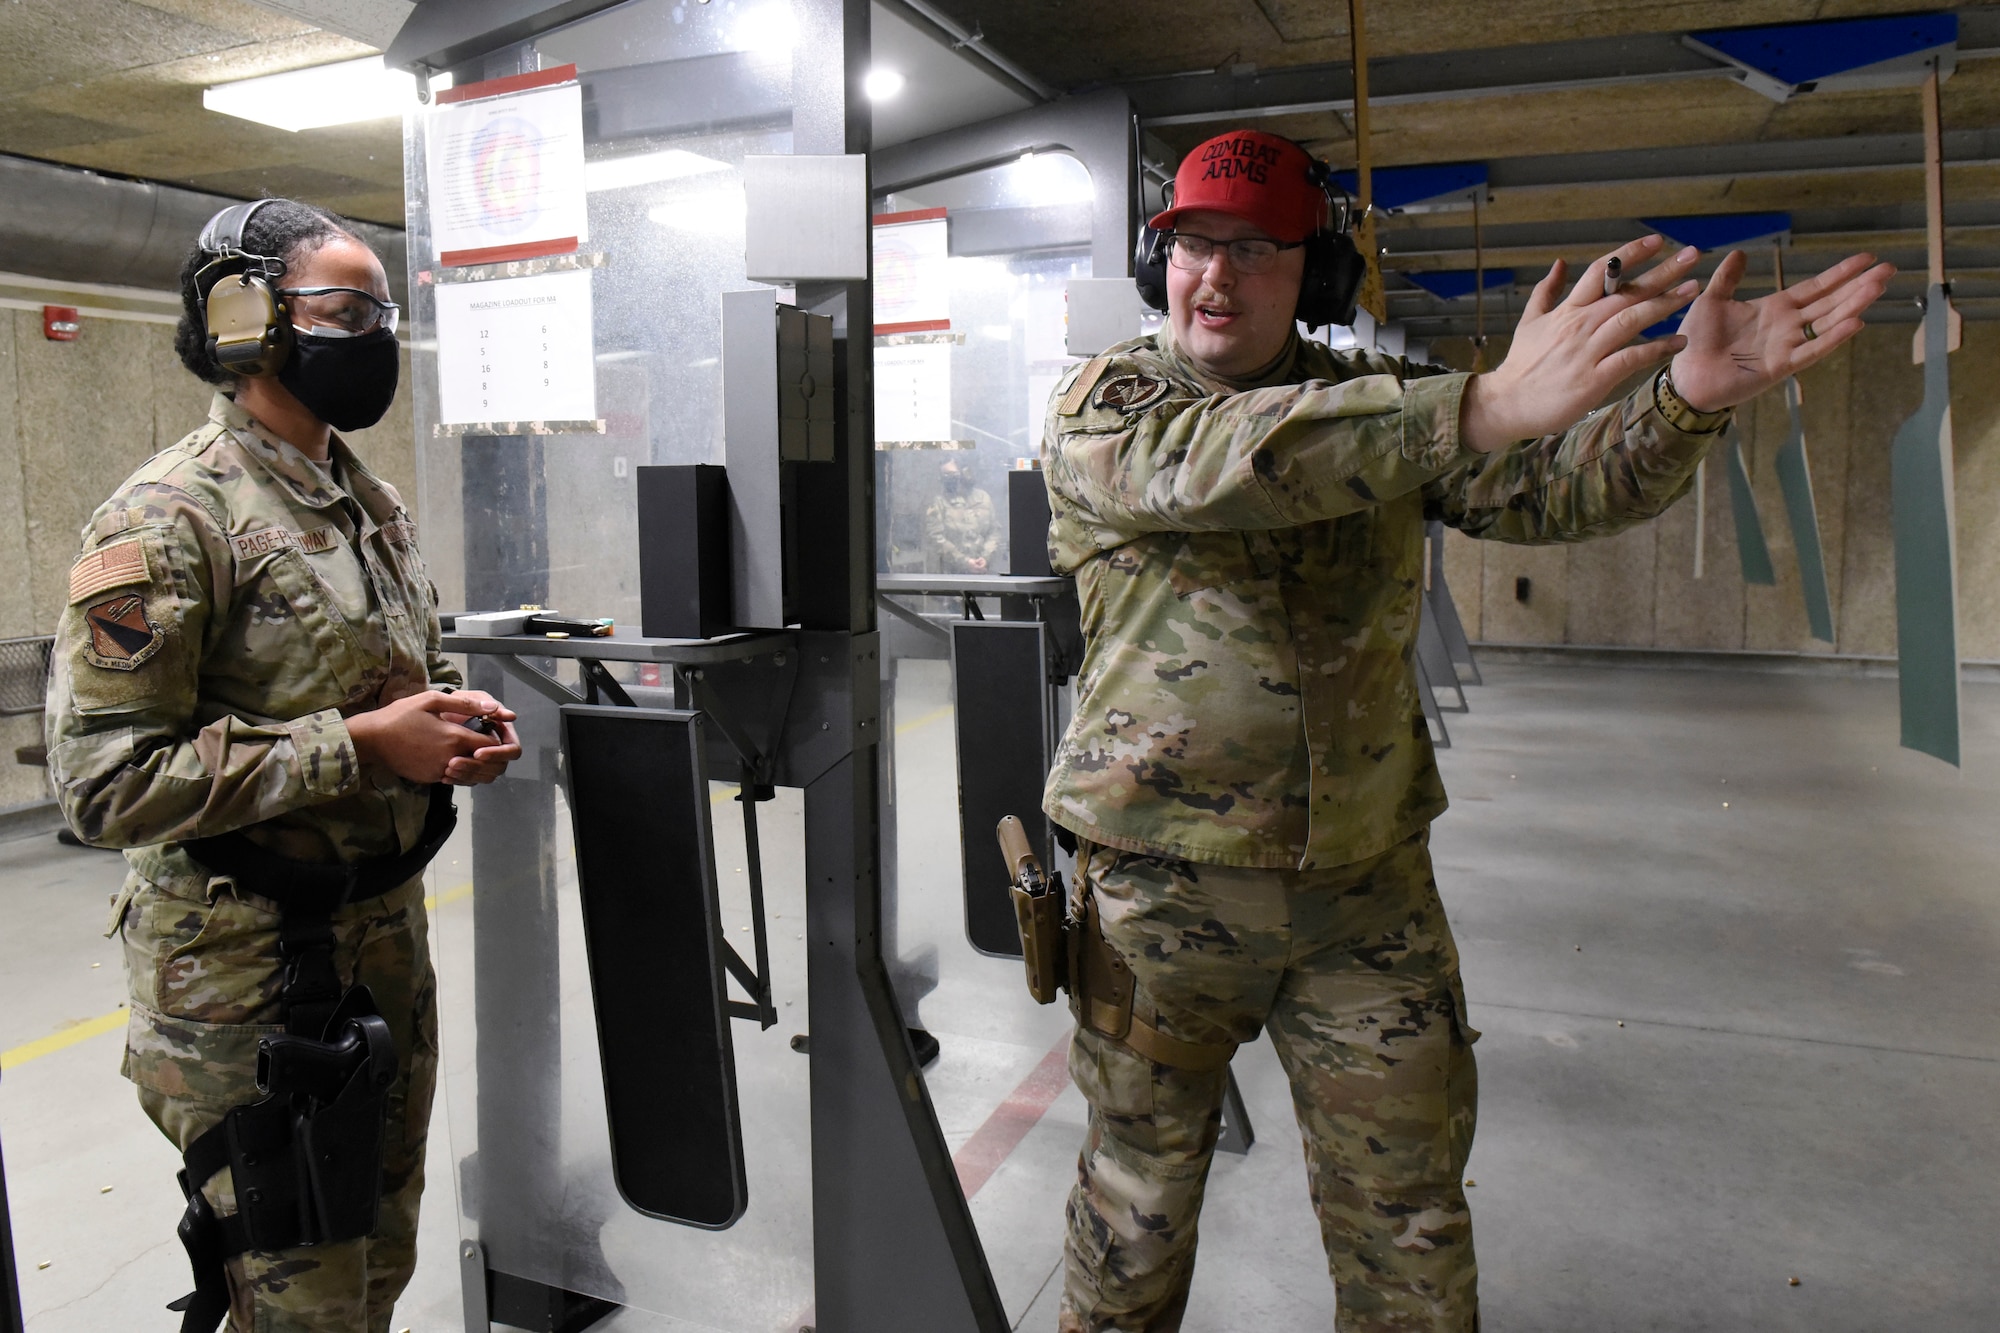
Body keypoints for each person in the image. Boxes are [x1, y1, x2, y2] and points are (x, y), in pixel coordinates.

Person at [1039, 130, 1891, 1332]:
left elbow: (1551, 488)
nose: (1213, 279)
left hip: (1363, 894)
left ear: (1317, 274)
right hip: (1161, 897)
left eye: (1253, 251)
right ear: (1153, 260)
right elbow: (1232, 467)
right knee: (1132, 1218)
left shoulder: (1376, 403)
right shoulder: (1108, 404)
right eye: (1188, 248)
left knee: (1411, 1225)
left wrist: (1684, 400)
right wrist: (1481, 402)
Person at [43, 198, 521, 1333]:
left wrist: (440, 733)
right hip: (247, 977)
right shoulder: (169, 516)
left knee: (375, 1271)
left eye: (384, 313)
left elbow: (392, 682)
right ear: (246, 317)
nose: (374, 338)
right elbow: (105, 782)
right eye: (345, 309)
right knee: (296, 1301)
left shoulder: (367, 500)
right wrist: (358, 746)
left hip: (380, 939)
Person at [924, 456, 999, 573]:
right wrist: (965, 562)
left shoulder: (983, 498)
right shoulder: (938, 502)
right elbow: (936, 538)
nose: (949, 478)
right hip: (952, 573)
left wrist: (985, 558)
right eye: (945, 475)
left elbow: (994, 531)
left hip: (983, 571)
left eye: (952, 474)